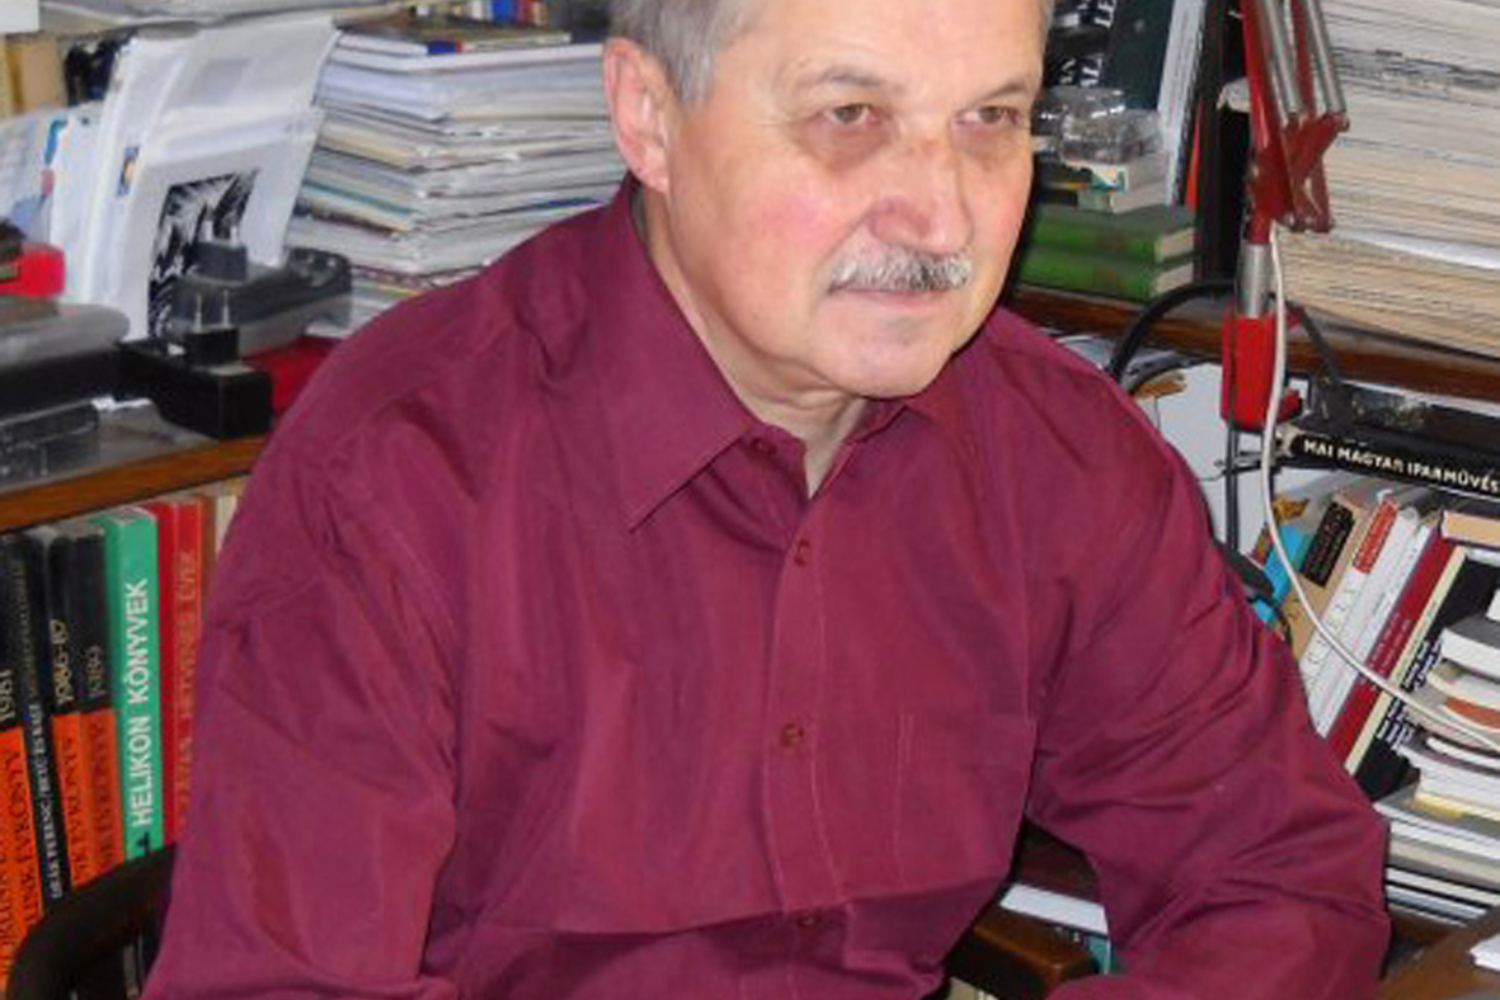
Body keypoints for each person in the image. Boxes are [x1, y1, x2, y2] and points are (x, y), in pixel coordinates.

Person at [143, 0, 1390, 996]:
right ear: (649, 118)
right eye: (850, 115)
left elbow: (1279, 872)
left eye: (991, 118)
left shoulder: (1057, 455)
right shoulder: (397, 476)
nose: (942, 215)